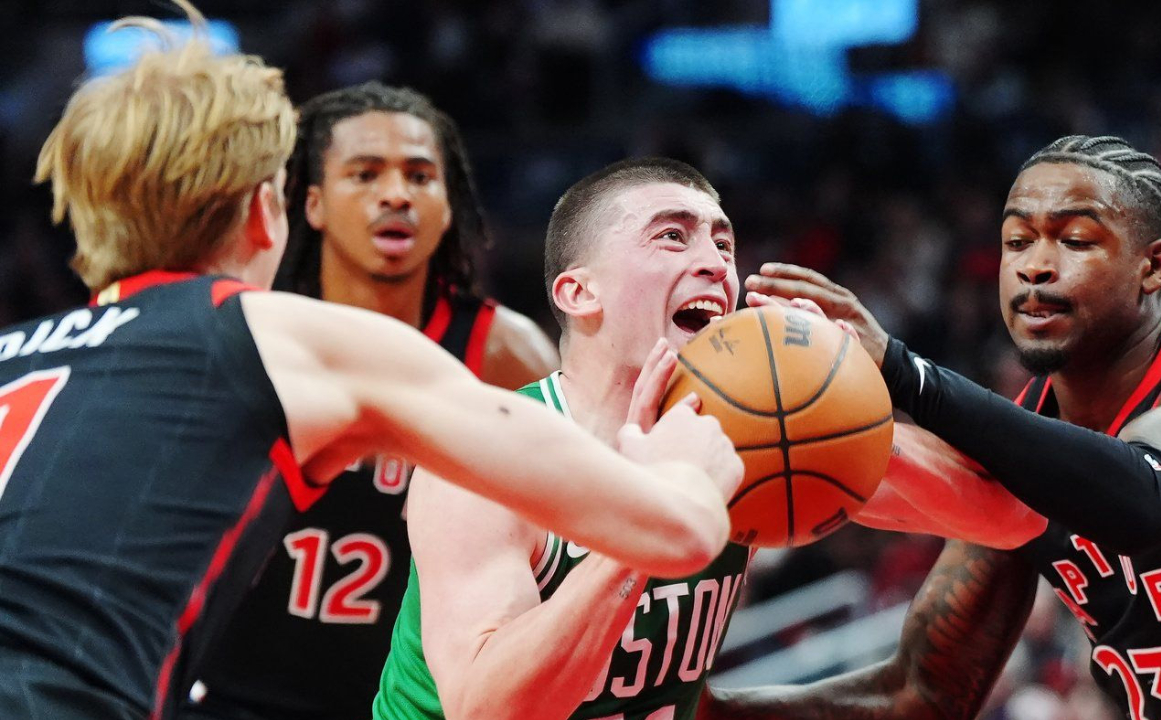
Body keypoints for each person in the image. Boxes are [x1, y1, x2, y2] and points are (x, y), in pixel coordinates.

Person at [0, 9, 743, 720]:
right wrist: (680, 471)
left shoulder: (18, 353)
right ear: (270, 209)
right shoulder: (289, 337)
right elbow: (670, 528)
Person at [371, 158, 1043, 720]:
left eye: (723, 244)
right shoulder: (490, 455)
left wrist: (849, 417)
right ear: (580, 292)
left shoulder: (745, 434)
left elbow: (1010, 521)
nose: (716, 264)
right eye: (673, 236)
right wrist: (657, 512)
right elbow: (486, 710)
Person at [732, 135, 1161, 718]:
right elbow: (925, 692)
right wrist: (692, 709)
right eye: (1016, 241)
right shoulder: (1027, 436)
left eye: (1074, 240)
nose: (1034, 265)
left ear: (1153, 266)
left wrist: (900, 369)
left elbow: (1146, 501)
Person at [188, 82, 558, 720]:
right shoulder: (251, 333)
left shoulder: (503, 354)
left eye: (420, 176)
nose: (396, 194)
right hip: (231, 697)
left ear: (447, 207)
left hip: (407, 705)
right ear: (311, 205)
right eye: (364, 174)